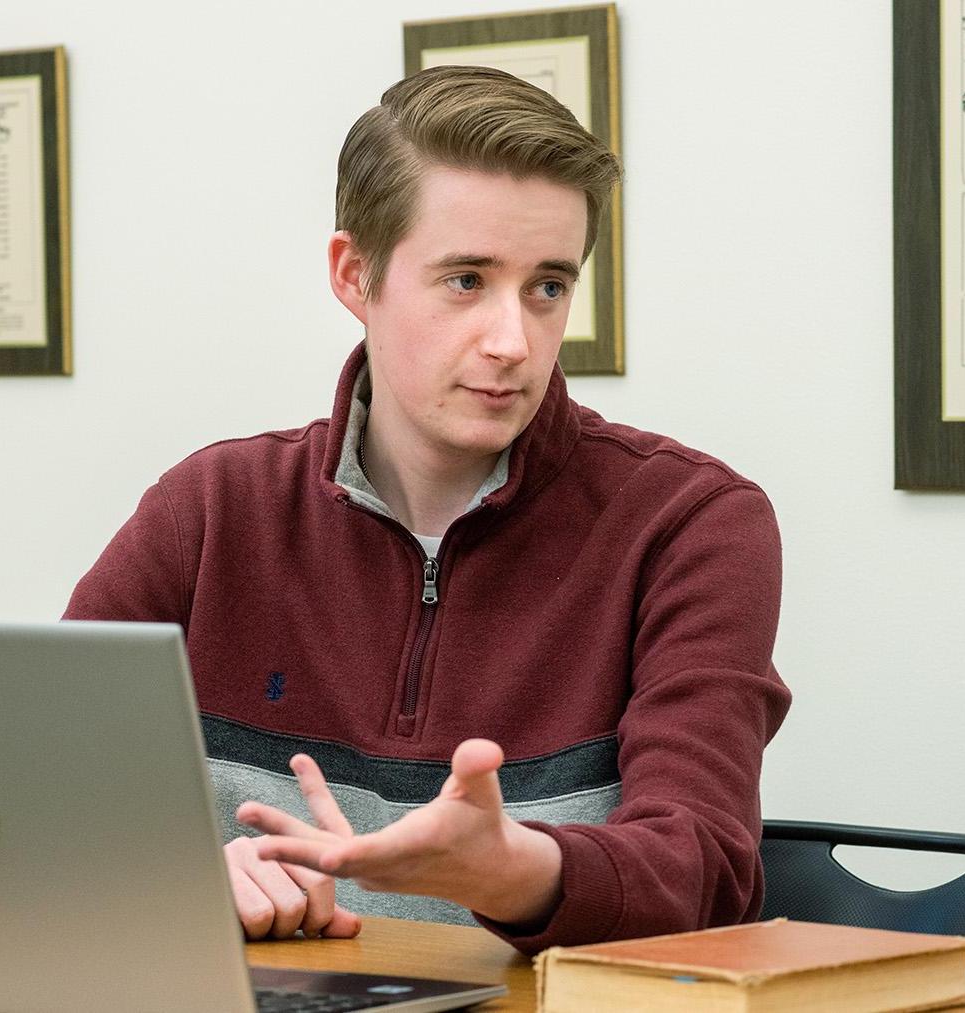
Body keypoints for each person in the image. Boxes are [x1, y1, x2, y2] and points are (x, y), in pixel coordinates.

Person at [64, 65, 790, 954]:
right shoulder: (211, 509)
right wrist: (178, 872)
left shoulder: (692, 522)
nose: (512, 340)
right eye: (465, 280)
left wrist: (510, 869)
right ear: (354, 274)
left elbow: (707, 872)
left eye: (548, 287)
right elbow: (23, 795)